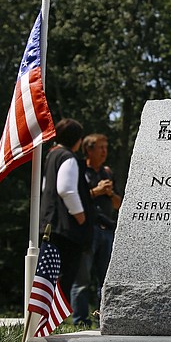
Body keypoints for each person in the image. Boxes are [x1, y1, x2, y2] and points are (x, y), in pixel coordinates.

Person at [40, 119, 95, 317]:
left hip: (49, 224)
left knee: (50, 275)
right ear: (77, 139)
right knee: (65, 275)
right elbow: (66, 189)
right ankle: (53, 318)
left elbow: (46, 187)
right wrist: (80, 217)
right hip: (67, 228)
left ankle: (45, 318)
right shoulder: (68, 157)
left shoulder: (51, 155)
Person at [71, 133, 122, 324]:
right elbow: (74, 198)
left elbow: (118, 204)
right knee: (82, 279)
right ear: (88, 150)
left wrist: (109, 193)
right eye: (100, 147)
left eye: (106, 147)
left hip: (108, 230)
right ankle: (80, 320)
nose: (104, 151)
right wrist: (96, 192)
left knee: (106, 280)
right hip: (88, 230)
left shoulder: (107, 173)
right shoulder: (80, 171)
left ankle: (105, 319)